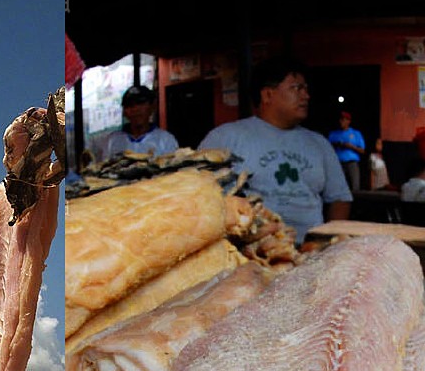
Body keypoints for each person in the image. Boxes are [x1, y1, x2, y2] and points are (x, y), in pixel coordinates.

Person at [198, 55, 352, 242]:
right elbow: (200, 195)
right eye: (296, 88)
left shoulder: (318, 143)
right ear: (267, 95)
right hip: (249, 252)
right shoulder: (226, 138)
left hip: (310, 251)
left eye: (306, 89)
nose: (306, 95)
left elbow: (339, 197)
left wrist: (328, 243)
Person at [101, 85, 179, 160]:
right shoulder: (111, 141)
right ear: (124, 111)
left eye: (140, 103)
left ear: (152, 106)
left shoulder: (166, 140)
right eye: (130, 105)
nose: (135, 109)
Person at [327, 111, 365, 191]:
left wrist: (351, 147)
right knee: (339, 187)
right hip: (338, 163)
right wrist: (337, 144)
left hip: (352, 162)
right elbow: (327, 149)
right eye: (340, 119)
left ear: (348, 121)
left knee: (355, 187)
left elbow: (362, 151)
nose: (341, 121)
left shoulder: (356, 133)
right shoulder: (333, 134)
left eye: (344, 119)